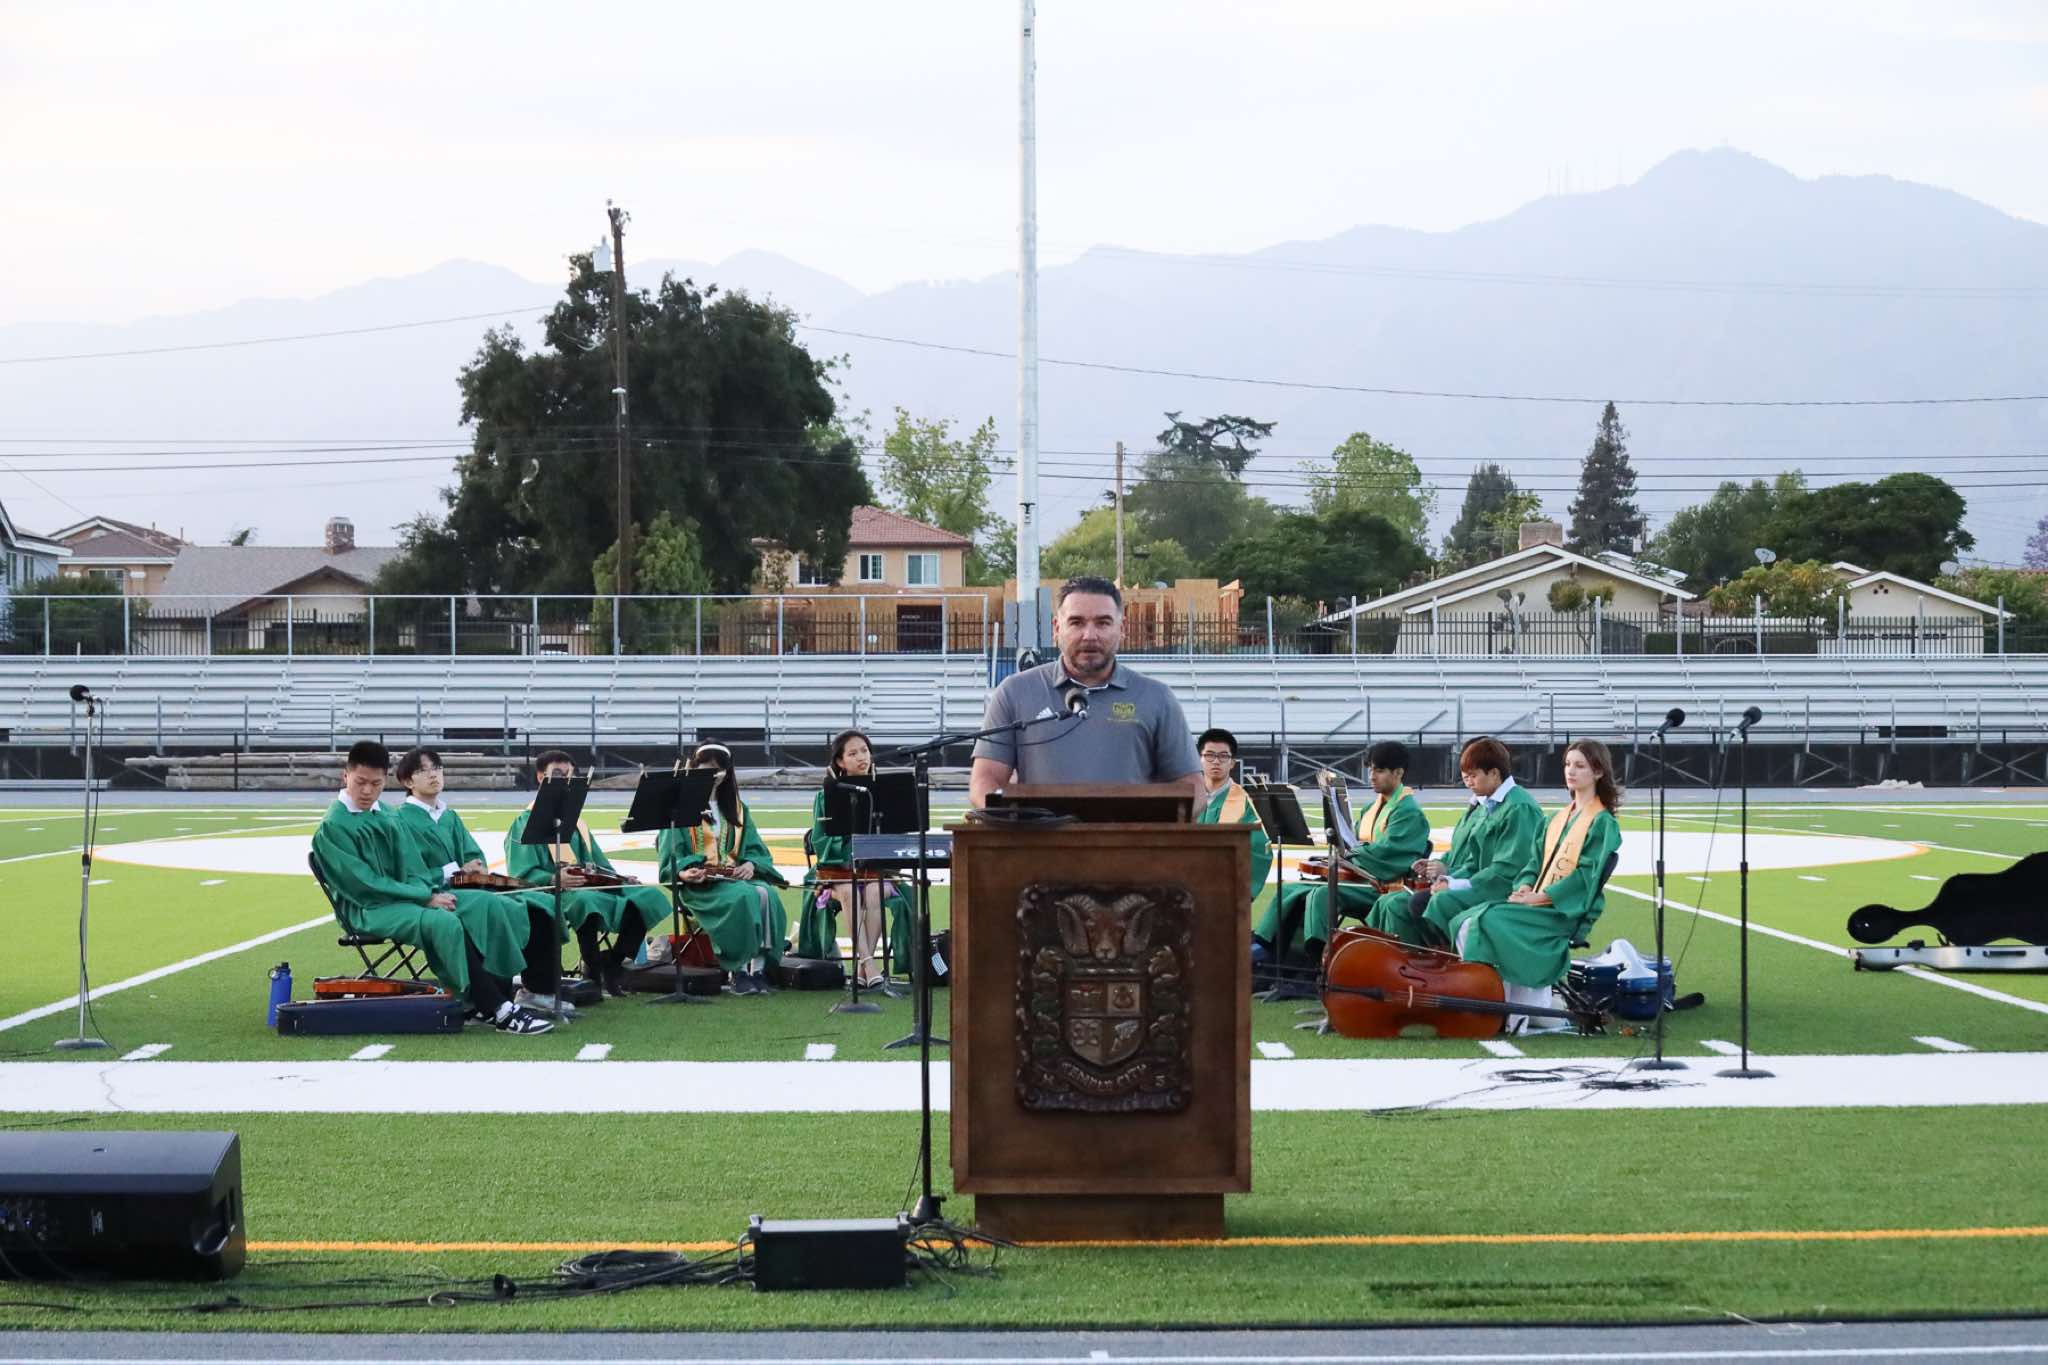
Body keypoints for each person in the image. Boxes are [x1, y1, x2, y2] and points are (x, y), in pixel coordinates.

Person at [310, 739, 553, 1034]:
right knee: (444, 921)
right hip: (369, 908)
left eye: (376, 784)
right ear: (345, 776)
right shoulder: (334, 826)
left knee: (484, 903)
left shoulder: (384, 813)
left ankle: (491, 997)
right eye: (360, 782)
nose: (367, 791)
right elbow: (364, 885)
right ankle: (498, 1009)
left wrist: (432, 892)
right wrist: (425, 897)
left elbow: (411, 865)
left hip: (408, 896)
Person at [969, 576, 1200, 809]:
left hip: (1131, 833)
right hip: (1039, 832)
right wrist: (1008, 822)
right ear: (1057, 629)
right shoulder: (1015, 692)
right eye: (1077, 622)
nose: (1089, 635)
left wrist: (1150, 828)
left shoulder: (1156, 698)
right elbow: (985, 780)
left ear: (1122, 629)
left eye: (1103, 623)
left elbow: (1193, 787)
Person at [1446, 739, 1624, 1026]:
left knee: (1486, 921)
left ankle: (1505, 1010)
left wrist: (1541, 897)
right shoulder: (1556, 818)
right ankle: (1499, 1004)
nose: (1571, 771)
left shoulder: (1602, 823)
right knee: (1466, 920)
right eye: (1568, 764)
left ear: (1598, 772)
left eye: (1580, 766)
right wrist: (1525, 886)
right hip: (1535, 902)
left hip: (1562, 911)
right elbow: (1533, 862)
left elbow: (1585, 877)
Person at [503, 750, 669, 998]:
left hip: (589, 885)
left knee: (647, 896)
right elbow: (520, 873)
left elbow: (598, 863)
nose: (565, 780)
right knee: (586, 901)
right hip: (555, 892)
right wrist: (553, 878)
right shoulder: (524, 822)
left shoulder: (576, 822)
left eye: (569, 774)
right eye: (558, 774)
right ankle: (591, 967)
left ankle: (613, 962)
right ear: (540, 777)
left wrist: (620, 878)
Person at [1252, 740, 1430, 967]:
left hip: (1384, 886)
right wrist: (1344, 851)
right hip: (1359, 878)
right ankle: (1269, 948)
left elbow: (1387, 855)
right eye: (1370, 769)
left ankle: (1318, 961)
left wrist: (1348, 853)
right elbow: (1355, 844)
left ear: (1399, 772)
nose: (1372, 776)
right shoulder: (1371, 808)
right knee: (1289, 889)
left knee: (1321, 894)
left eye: (1379, 770)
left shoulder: (1408, 812)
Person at [1365, 736, 1544, 949]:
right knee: (1394, 903)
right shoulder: (1489, 805)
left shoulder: (1518, 808)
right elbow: (1471, 858)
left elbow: (1508, 869)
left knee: (1433, 901)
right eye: (1466, 776)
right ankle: (1401, 959)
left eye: (1473, 776)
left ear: (1495, 773)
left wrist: (1452, 881)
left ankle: (1445, 960)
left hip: (1499, 889)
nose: (1467, 782)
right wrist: (1445, 874)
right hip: (1477, 881)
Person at [656, 743, 790, 996]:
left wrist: (750, 864)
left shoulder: (737, 808)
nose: (713, 775)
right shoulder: (680, 807)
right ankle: (738, 971)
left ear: (727, 772)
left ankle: (759, 970)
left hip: (734, 879)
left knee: (767, 894)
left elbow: (756, 849)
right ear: (693, 768)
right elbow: (671, 855)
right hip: (701, 886)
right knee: (745, 896)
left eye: (718, 770)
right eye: (706, 768)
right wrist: (683, 872)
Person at [798, 728, 912, 987]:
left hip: (876, 870)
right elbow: (820, 840)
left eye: (864, 751)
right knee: (850, 891)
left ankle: (862, 972)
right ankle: (869, 965)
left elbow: (899, 833)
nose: (862, 757)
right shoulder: (825, 796)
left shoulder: (886, 792)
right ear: (840, 761)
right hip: (838, 870)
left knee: (873, 892)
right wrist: (849, 851)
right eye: (852, 753)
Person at [1193, 728, 1273, 903]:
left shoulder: (1245, 802)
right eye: (1209, 755)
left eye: (1223, 756)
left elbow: (1260, 848)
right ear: (1199, 759)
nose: (1216, 761)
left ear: (1232, 763)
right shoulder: (1186, 797)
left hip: (1224, 888)